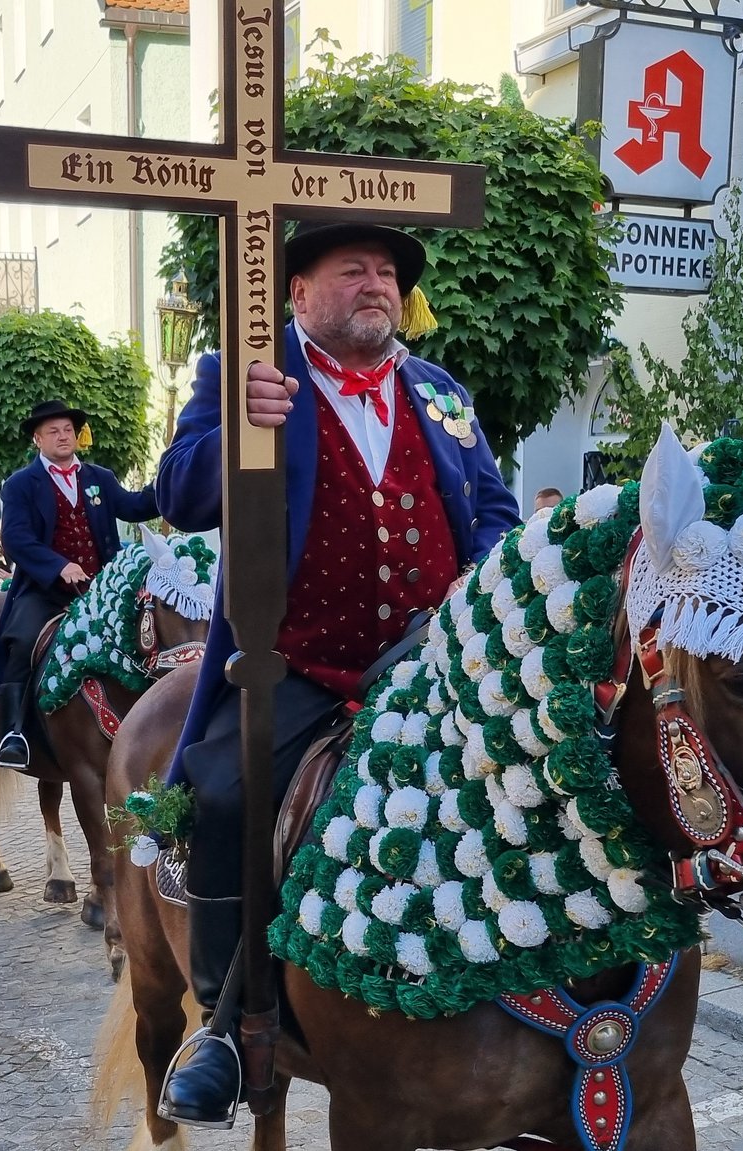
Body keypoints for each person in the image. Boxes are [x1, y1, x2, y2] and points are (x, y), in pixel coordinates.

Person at [150, 220, 518, 1127]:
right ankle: (225, 1026)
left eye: (387, 273)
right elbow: (179, 493)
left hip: (440, 669)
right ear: (297, 293)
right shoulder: (244, 378)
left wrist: (498, 592)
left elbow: (498, 516)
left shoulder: (439, 394)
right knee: (230, 792)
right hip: (298, 671)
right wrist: (241, 419)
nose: (376, 285)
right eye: (352, 269)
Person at [0, 399, 159, 770]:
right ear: (37, 438)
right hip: (45, 592)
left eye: (68, 430)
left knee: (149, 635)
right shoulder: (20, 485)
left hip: (102, 592)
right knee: (24, 641)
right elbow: (15, 538)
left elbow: (134, 506)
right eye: (53, 431)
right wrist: (58, 566)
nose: (63, 437)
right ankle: (13, 733)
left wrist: (171, 484)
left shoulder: (100, 478)